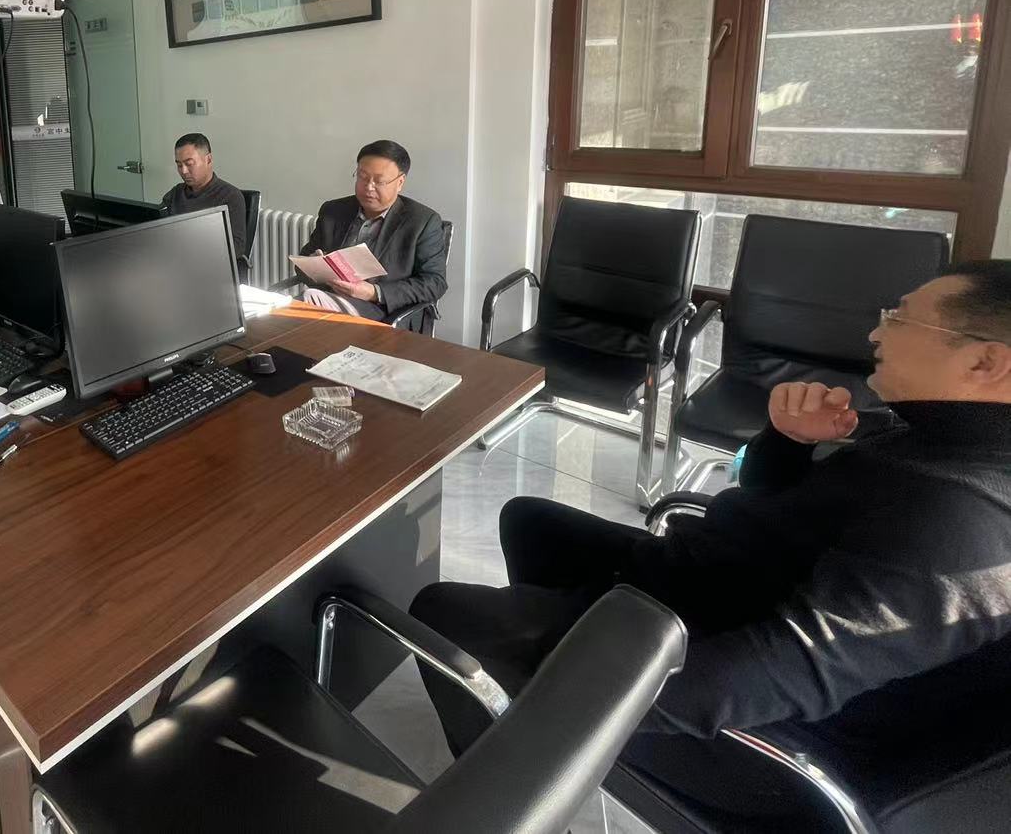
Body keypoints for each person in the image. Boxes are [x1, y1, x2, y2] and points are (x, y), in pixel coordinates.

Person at [410, 260, 1011, 815]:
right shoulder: (931, 431)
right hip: (713, 581)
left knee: (441, 610)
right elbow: (774, 496)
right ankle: (549, 637)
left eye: (900, 318)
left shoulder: (959, 518)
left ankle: (508, 796)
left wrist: (565, 710)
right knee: (529, 520)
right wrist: (790, 439)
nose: (877, 332)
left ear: (985, 362)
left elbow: (780, 673)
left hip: (732, 706)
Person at [297, 139, 449, 323]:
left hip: (384, 312)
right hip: (328, 300)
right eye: (362, 177)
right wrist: (315, 265)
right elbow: (302, 265)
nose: (369, 187)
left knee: (306, 304)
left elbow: (435, 283)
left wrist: (374, 292)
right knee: (297, 310)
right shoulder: (333, 211)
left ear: (400, 182)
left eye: (379, 181)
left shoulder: (422, 221)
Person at [159, 132, 249, 260]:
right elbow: (158, 228)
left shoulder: (230, 196)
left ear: (208, 160)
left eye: (189, 164)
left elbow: (237, 248)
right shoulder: (175, 193)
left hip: (209, 262)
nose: (183, 171)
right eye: (179, 165)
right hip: (176, 259)